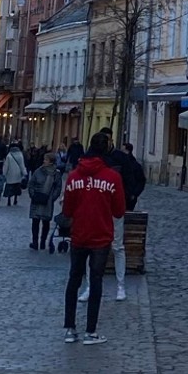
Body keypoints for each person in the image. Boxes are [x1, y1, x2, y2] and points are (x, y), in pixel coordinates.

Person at [61, 131, 125, 344]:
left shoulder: (73, 177)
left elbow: (67, 210)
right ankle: (91, 331)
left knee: (74, 279)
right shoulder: (112, 177)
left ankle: (70, 328)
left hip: (79, 234)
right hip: (101, 236)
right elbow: (119, 211)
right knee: (96, 281)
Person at [106, 140, 146, 301]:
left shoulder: (131, 166)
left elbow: (138, 181)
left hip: (124, 203)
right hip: (117, 204)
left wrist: (132, 194)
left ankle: (120, 284)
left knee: (118, 243)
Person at [27, 153, 61, 247]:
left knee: (46, 222)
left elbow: (58, 188)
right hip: (37, 199)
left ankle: (42, 242)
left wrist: (52, 198)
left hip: (48, 201)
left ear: (51, 162)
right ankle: (35, 242)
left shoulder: (56, 174)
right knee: (35, 221)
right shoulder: (38, 171)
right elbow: (31, 183)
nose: (43, 161)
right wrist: (32, 194)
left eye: (46, 160)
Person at [2, 141, 27, 205]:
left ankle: (9, 200)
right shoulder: (20, 155)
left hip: (10, 174)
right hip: (18, 174)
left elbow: (6, 166)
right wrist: (24, 173)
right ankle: (15, 200)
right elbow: (22, 165)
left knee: (10, 187)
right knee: (16, 187)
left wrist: (4, 173)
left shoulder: (9, 156)